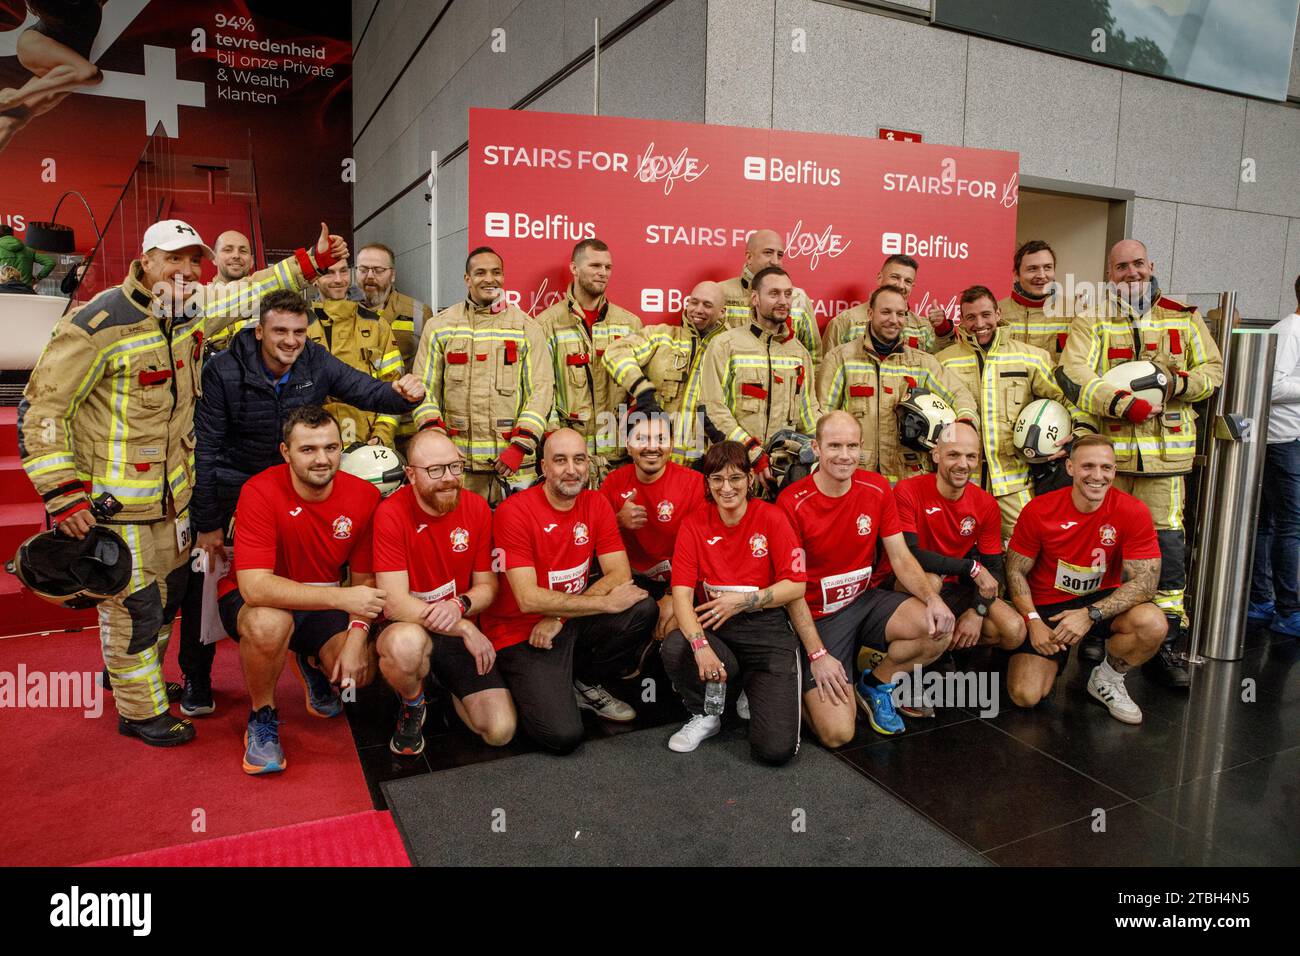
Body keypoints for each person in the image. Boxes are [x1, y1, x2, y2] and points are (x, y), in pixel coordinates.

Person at [18, 217, 346, 745]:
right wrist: (62, 492)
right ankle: (138, 711)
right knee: (137, 606)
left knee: (165, 601)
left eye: (195, 261)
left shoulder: (189, 312)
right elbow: (42, 409)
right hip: (113, 504)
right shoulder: (97, 323)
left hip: (175, 503)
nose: (187, 270)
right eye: (175, 259)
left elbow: (246, 294)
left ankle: (136, 680)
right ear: (146, 260)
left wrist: (308, 262)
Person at [183, 290, 423, 716]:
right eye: (280, 331)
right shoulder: (223, 369)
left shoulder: (315, 360)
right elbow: (207, 446)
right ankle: (197, 678)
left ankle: (309, 653)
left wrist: (403, 396)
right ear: (259, 331)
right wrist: (207, 520)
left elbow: (365, 390)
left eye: (299, 332)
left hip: (300, 474)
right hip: (235, 484)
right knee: (203, 578)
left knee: (301, 570)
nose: (292, 341)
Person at [1058, 238, 1223, 687]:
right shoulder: (1092, 318)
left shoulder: (1183, 316)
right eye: (1120, 267)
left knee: (1166, 550)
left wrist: (1175, 382)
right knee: (1101, 548)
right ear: (1108, 273)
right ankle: (1100, 630)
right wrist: (1118, 403)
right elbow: (1074, 375)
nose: (1130, 273)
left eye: (1137, 265)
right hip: (1108, 462)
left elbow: (1213, 372)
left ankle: (1167, 641)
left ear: (1151, 266)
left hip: (1164, 464)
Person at [219, 406, 384, 773]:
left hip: (320, 599)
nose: (322, 459)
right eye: (308, 449)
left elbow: (364, 584)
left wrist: (357, 639)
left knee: (360, 674)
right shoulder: (259, 491)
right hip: (254, 600)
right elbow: (256, 587)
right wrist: (340, 597)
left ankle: (308, 659)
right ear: (286, 452)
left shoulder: (364, 497)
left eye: (331, 447)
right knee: (270, 624)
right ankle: (262, 715)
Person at [778, 412, 957, 745]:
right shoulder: (792, 503)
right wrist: (817, 654)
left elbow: (901, 556)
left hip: (865, 601)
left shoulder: (875, 487)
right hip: (820, 618)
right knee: (838, 734)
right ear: (816, 448)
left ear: (861, 447)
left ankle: (874, 684)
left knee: (939, 629)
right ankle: (793, 686)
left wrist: (934, 600)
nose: (844, 455)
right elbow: (793, 591)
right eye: (834, 446)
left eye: (851, 446)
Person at [480, 428, 657, 753]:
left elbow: (618, 572)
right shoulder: (515, 512)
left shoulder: (596, 503)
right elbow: (528, 598)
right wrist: (603, 605)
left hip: (563, 619)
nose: (571, 469)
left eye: (579, 460)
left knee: (642, 608)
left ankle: (581, 680)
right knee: (562, 736)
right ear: (544, 468)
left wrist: (559, 619)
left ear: (588, 465)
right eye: (560, 461)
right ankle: (525, 685)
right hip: (520, 631)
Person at [660, 440, 808, 762]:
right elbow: (682, 597)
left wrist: (743, 601)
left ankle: (748, 689)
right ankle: (707, 714)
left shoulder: (772, 518)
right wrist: (700, 647)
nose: (726, 488)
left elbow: (796, 586)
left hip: (766, 629)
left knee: (775, 751)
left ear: (750, 480)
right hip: (717, 627)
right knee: (676, 644)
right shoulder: (693, 524)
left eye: (735, 478)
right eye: (717, 480)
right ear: (708, 483)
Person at [1004, 435, 1168, 723]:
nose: (1097, 476)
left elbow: (1146, 582)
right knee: (1025, 695)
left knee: (1152, 622)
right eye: (1087, 466)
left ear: (1114, 471)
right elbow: (1016, 570)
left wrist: (1090, 614)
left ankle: (1107, 678)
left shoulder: (1133, 510)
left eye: (1105, 468)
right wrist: (1032, 622)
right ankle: (1048, 658)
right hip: (1048, 608)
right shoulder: (1039, 509)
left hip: (1101, 603)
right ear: (1070, 468)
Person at [372, 429, 510, 755]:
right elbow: (394, 603)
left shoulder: (476, 508)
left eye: (455, 467)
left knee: (500, 731)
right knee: (406, 646)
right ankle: (413, 702)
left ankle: (443, 683)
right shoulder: (390, 514)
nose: (448, 478)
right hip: (409, 626)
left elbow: (487, 587)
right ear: (410, 475)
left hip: (454, 628)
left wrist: (461, 604)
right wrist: (461, 623)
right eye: (435, 470)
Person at [938, 284, 1084, 538]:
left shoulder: (1030, 358)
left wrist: (1077, 437)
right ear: (962, 319)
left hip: (1013, 481)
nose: (979, 323)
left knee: (1022, 548)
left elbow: (1068, 398)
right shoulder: (945, 360)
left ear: (998, 313)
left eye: (986, 315)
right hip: (960, 481)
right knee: (959, 547)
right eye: (970, 317)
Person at [412, 246, 553, 503]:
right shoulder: (440, 327)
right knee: (462, 540)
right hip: (458, 470)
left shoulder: (527, 328)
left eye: (496, 272)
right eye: (480, 273)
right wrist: (439, 447)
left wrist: (521, 446)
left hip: (513, 468)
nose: (489, 279)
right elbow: (423, 389)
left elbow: (541, 390)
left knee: (514, 541)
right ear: (467, 279)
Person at [818, 284, 976, 484]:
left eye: (900, 314)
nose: (894, 320)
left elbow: (961, 395)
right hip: (854, 476)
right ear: (870, 313)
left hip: (907, 481)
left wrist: (965, 424)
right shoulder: (841, 358)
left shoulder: (922, 363)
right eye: (886, 312)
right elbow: (822, 417)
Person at [893, 422, 1026, 659]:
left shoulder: (985, 504)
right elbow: (910, 554)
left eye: (971, 456)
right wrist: (971, 568)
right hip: (909, 584)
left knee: (1012, 629)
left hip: (955, 587)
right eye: (953, 455)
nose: (963, 464)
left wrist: (977, 611)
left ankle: (948, 654)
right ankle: (926, 658)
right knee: (932, 581)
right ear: (936, 455)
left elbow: (994, 569)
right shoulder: (907, 490)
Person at [694, 266, 820, 489]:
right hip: (733, 471)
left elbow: (808, 414)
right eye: (774, 294)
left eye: (788, 294)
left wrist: (824, 445)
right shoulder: (725, 345)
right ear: (755, 298)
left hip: (782, 475)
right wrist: (752, 453)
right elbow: (710, 409)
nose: (783, 300)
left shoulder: (799, 353)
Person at [599, 412, 705, 670]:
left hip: (680, 582)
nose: (652, 447)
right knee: (636, 615)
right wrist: (617, 521)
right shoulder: (613, 482)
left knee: (674, 630)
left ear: (671, 443)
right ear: (627, 444)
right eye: (642, 438)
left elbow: (704, 548)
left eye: (660, 438)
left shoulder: (693, 483)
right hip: (632, 581)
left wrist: (673, 596)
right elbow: (589, 542)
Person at [535, 239, 643, 481]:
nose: (603, 273)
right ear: (574, 268)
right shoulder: (546, 324)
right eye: (595, 266)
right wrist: (557, 443)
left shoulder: (630, 324)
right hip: (571, 462)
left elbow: (637, 389)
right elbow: (542, 390)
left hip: (619, 459)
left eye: (608, 267)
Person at [604, 280, 726, 457]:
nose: (698, 309)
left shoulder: (729, 349)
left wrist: (722, 436)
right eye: (694, 302)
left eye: (707, 305)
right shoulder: (661, 336)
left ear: (722, 312)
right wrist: (642, 391)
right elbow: (615, 352)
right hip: (655, 460)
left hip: (704, 464)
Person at [306, 258, 405, 446]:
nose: (338, 279)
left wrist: (382, 435)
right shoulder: (300, 328)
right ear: (314, 279)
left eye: (343, 271)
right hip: (315, 442)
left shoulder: (377, 325)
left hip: (370, 442)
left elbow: (394, 387)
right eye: (329, 272)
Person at [1249, 276, 1300, 637]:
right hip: (1283, 441)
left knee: (1270, 524)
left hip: (1288, 440)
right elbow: (1273, 384)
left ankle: (1261, 601)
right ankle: (1288, 609)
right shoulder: (1290, 330)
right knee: (1290, 527)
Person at [0, 0, 105, 155]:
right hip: (37, 45)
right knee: (88, 73)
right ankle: (13, 97)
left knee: (12, 120)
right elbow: (89, 74)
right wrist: (17, 97)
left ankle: (13, 98)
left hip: (67, 60)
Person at [718, 229, 820, 367]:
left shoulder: (799, 298)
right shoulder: (720, 293)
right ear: (749, 257)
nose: (775, 261)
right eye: (768, 253)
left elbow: (814, 358)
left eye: (780, 255)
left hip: (784, 385)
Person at [821, 254, 955, 357]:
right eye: (895, 277)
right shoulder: (845, 322)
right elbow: (826, 369)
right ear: (880, 278)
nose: (901, 285)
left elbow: (940, 363)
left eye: (908, 281)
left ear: (912, 286)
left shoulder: (923, 328)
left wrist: (942, 329)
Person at [355, 241, 432, 374]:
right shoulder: (343, 312)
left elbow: (431, 365)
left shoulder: (418, 313)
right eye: (363, 270)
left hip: (398, 393)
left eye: (378, 270)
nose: (370, 276)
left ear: (393, 275)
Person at [997, 240, 1072, 365]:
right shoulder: (997, 313)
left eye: (1047, 267)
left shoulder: (1074, 312)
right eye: (1032, 269)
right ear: (1016, 274)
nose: (1042, 275)